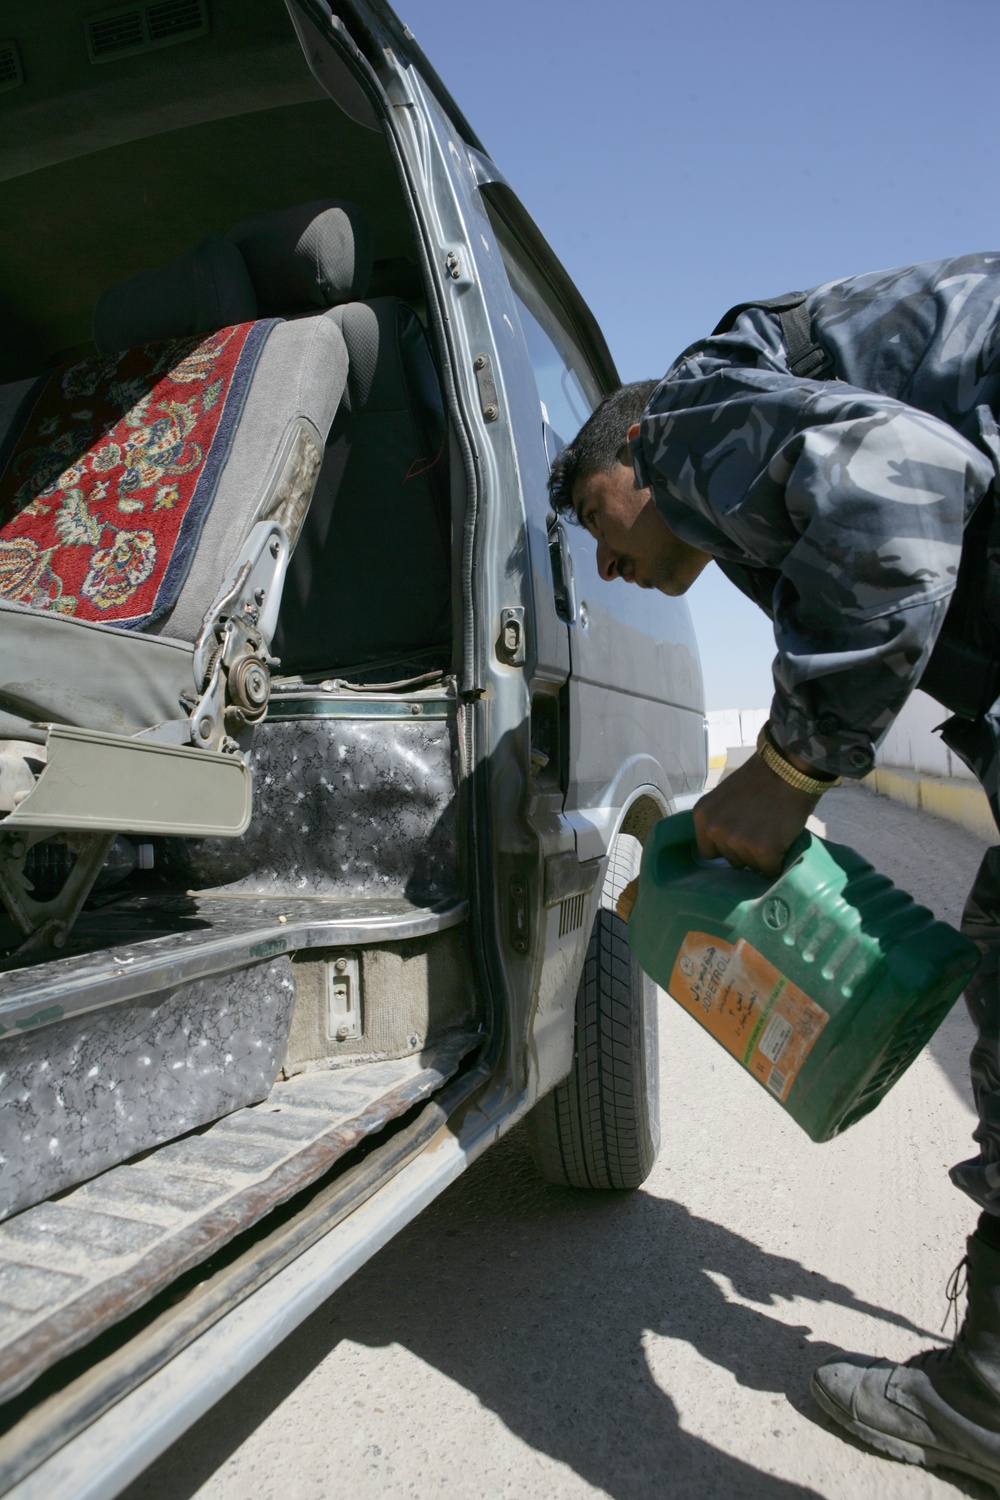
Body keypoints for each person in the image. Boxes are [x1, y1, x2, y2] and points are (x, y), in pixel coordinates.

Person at [548, 251, 1000, 1492]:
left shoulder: (691, 410)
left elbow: (906, 491)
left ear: (634, 456)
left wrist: (789, 766)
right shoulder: (767, 400)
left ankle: (988, 1407)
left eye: (593, 515)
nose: (603, 567)